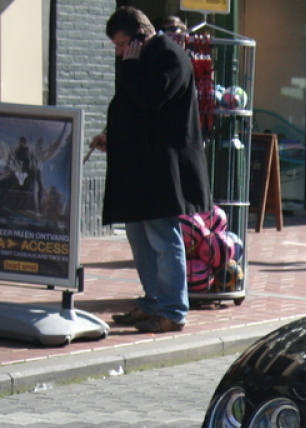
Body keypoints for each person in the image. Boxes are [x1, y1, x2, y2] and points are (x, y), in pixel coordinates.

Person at [91, 6, 209, 334]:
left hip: (162, 168)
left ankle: (173, 310)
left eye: (121, 44)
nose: (118, 51)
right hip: (140, 166)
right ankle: (152, 303)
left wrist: (129, 67)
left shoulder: (169, 57)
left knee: (161, 236)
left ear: (139, 38)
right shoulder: (136, 59)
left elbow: (150, 98)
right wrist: (112, 135)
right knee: (139, 236)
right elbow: (130, 107)